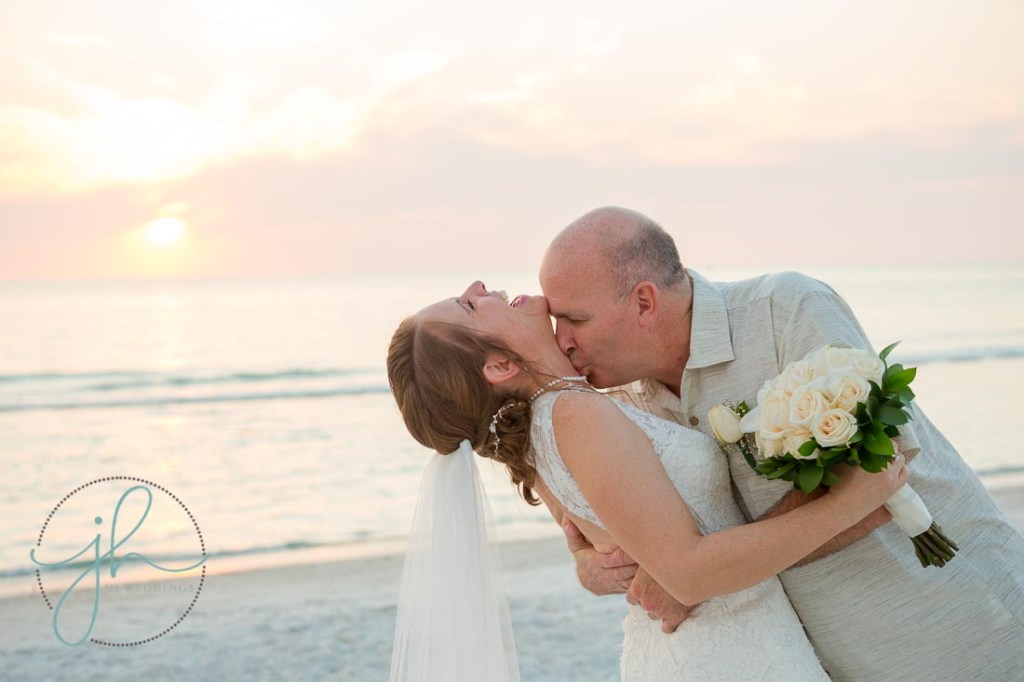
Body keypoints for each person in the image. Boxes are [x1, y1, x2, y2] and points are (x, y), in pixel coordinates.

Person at [539, 206, 1024, 680]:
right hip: (820, 658)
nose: (562, 341)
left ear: (644, 302)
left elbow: (881, 469)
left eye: (573, 320)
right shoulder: (617, 404)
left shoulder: (784, 310)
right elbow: (619, 542)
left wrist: (695, 578)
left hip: (963, 618)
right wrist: (596, 567)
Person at [386, 280, 910, 680]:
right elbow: (688, 573)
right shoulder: (573, 417)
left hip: (710, 643)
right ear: (500, 365)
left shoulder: (544, 429)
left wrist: (589, 566)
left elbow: (597, 540)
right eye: (469, 306)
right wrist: (855, 498)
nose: (479, 287)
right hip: (725, 651)